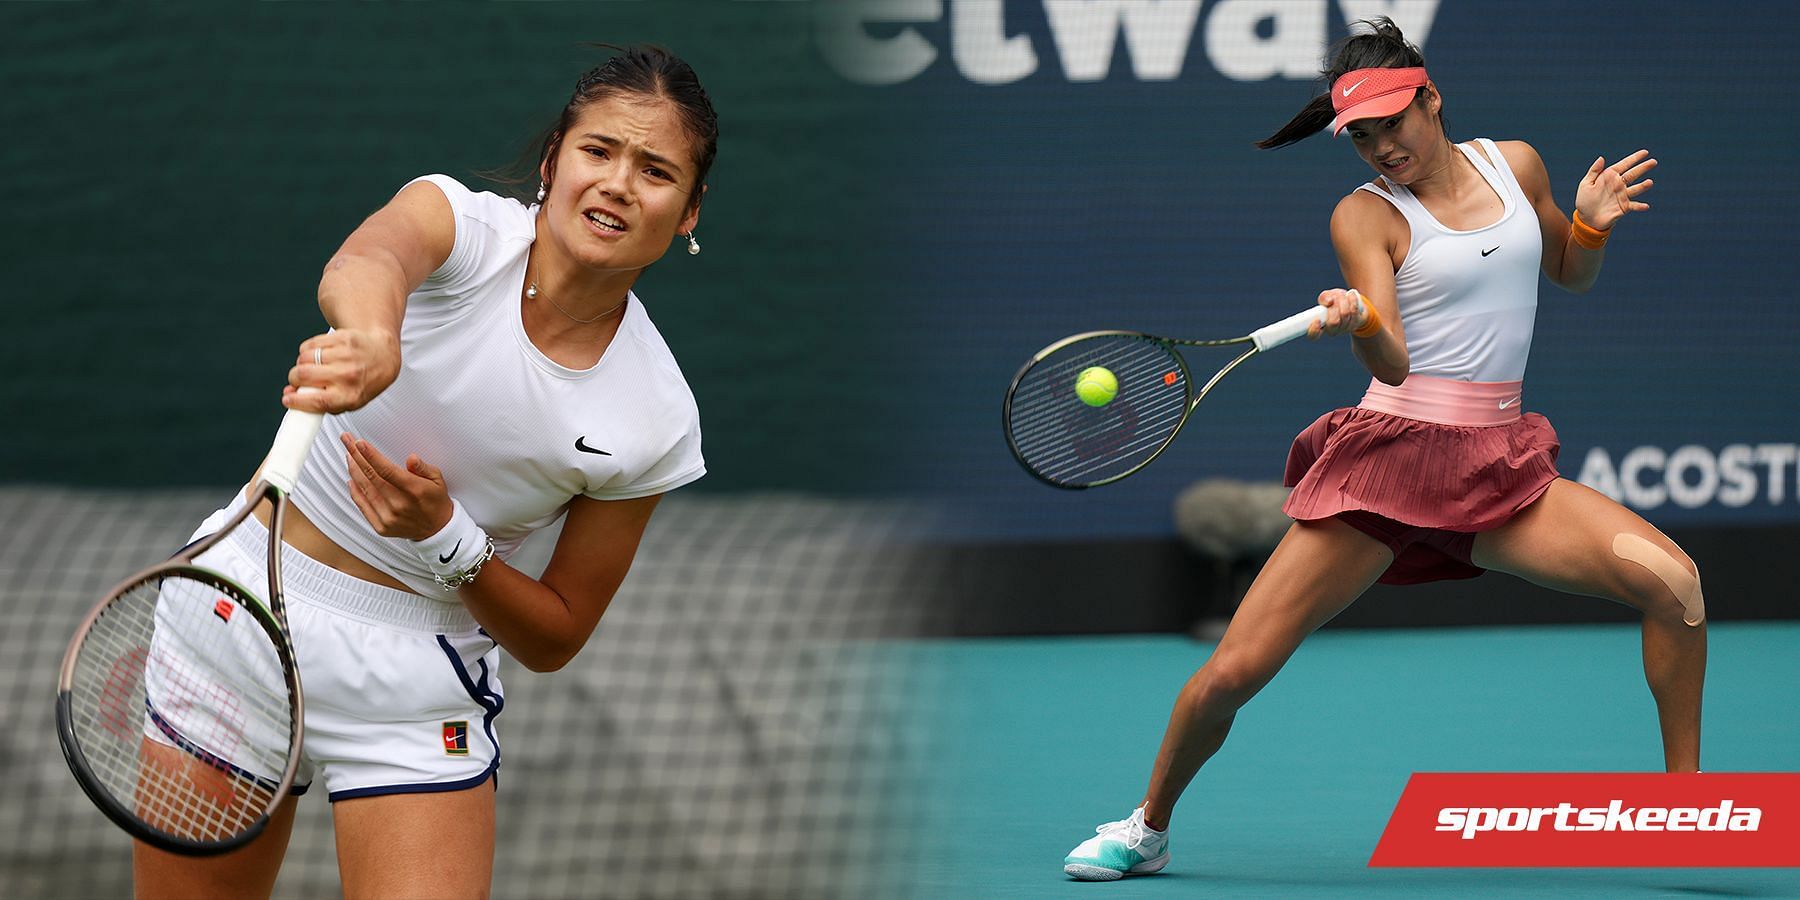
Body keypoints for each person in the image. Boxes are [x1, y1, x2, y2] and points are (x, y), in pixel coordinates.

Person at [1063, 18, 1701, 881]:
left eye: (1391, 125)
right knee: (1232, 674)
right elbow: (1394, 359)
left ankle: (1687, 809)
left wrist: (1589, 228)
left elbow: (1568, 273)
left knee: (1674, 585)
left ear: (1430, 100)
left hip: (1498, 466)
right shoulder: (1364, 217)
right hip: (1387, 472)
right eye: (1360, 137)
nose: (1380, 149)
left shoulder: (1516, 163)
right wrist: (1364, 322)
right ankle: (1147, 823)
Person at [136, 45, 716, 898]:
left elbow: (557, 633)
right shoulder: (461, 224)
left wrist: (451, 542)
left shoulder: (657, 415)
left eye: (656, 170)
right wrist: (372, 336)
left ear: (690, 210)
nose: (619, 185)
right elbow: (368, 263)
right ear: (553, 161)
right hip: (242, 617)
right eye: (598, 152)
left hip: (415, 678)